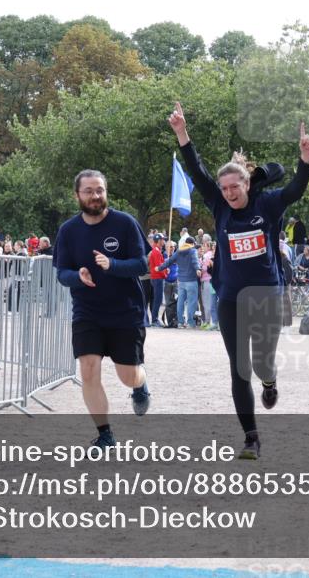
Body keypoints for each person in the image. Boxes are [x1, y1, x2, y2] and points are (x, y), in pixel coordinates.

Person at [169, 102, 309, 460]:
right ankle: (251, 438)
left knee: (263, 362)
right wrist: (182, 134)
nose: (229, 193)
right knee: (239, 369)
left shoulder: (267, 205)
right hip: (231, 297)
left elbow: (295, 188)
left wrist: (306, 159)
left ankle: (270, 380)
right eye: (224, 188)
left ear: (248, 183)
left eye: (235, 186)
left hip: (266, 296)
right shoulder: (219, 206)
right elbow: (197, 168)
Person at [55, 169, 152, 451]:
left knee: (128, 375)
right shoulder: (68, 231)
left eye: (100, 190)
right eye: (89, 191)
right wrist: (78, 277)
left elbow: (143, 264)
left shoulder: (125, 223)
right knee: (88, 369)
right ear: (78, 195)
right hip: (87, 311)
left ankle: (140, 385)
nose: (96, 196)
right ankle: (105, 435)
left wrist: (114, 265)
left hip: (125, 311)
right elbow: (62, 273)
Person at [157, 236, 201, 328]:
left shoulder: (178, 252)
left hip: (181, 281)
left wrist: (159, 268)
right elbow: (195, 261)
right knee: (191, 302)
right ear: (192, 244)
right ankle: (190, 323)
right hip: (191, 280)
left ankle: (180, 322)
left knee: (180, 302)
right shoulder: (193, 251)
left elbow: (169, 261)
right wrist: (198, 269)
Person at [148, 234, 167, 327]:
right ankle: (154, 320)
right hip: (157, 278)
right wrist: (166, 273)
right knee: (157, 300)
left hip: (157, 277)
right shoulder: (156, 252)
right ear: (158, 240)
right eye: (162, 239)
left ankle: (155, 319)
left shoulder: (157, 251)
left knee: (158, 300)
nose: (163, 241)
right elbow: (159, 267)